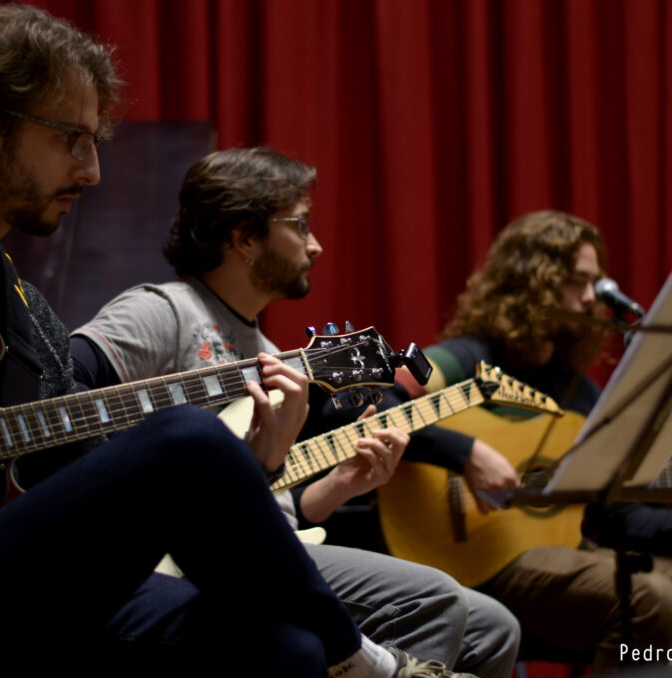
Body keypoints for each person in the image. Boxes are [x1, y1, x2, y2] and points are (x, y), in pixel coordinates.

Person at [0, 7, 464, 677]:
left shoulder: (29, 316)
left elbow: (95, 490)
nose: (91, 172)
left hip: (7, 584)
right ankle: (370, 666)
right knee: (186, 437)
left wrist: (251, 467)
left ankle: (337, 655)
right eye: (70, 140)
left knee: (284, 647)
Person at [71, 147, 520, 678]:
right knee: (433, 600)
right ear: (243, 238)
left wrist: (340, 486)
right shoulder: (163, 309)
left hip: (262, 547)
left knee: (494, 626)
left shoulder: (265, 351)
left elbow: (273, 506)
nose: (316, 244)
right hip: (180, 560)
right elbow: (63, 393)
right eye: (300, 225)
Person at [382, 211, 672, 671]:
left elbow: (620, 519)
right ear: (529, 283)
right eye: (575, 281)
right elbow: (382, 400)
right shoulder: (468, 357)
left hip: (565, 554)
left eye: (595, 282)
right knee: (648, 597)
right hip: (474, 557)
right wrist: (466, 453)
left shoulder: (580, 395)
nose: (591, 298)